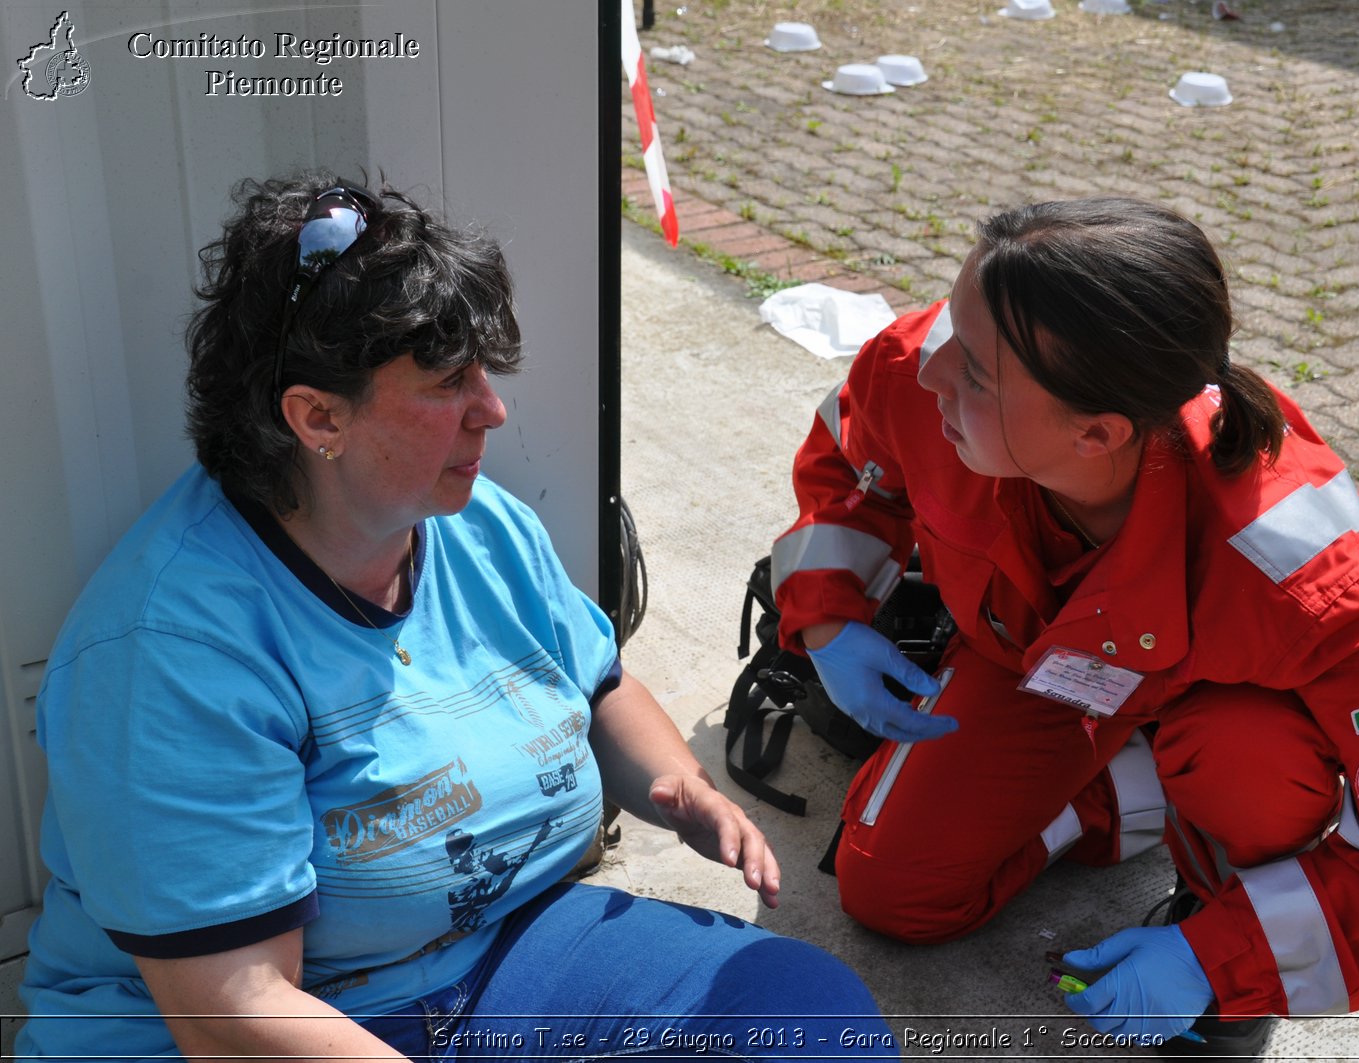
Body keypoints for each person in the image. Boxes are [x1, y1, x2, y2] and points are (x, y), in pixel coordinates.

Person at [17, 172, 895, 1061]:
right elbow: (231, 1013)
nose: (494, 408)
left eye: (484, 370)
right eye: (448, 381)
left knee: (812, 1020)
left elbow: (597, 686)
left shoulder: (474, 521)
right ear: (317, 416)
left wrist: (682, 788)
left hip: (500, 954)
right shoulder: (168, 650)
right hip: (273, 1026)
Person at [771, 197, 1359, 1053]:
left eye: (972, 372)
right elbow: (853, 448)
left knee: (1251, 769)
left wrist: (1217, 956)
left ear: (1097, 433)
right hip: (1033, 667)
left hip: (1222, 708)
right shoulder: (945, 356)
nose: (933, 374)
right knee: (894, 894)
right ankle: (1127, 791)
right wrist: (826, 615)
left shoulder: (1295, 570)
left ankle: (1212, 862)